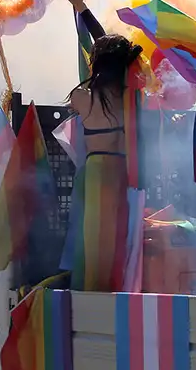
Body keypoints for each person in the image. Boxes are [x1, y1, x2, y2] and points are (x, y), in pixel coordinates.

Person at [63, 33, 142, 291]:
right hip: (126, 173)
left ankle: (94, 303)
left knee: (95, 246)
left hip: (97, 173)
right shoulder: (134, 97)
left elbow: (88, 65)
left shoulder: (83, 97)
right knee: (123, 242)